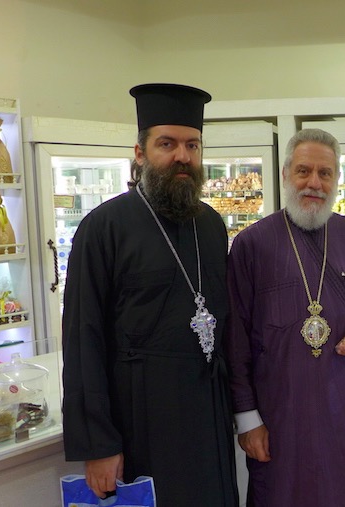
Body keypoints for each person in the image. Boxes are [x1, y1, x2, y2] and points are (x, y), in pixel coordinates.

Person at [61, 83, 239, 506]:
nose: (183, 156)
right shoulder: (103, 228)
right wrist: (99, 444)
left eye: (192, 145)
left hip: (207, 413)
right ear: (140, 153)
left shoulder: (211, 225)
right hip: (141, 419)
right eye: (167, 144)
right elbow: (83, 339)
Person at [226, 128, 345, 506]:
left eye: (325, 173)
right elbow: (235, 337)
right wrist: (247, 418)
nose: (314, 183)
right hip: (277, 411)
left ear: (337, 179)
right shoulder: (252, 244)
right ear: (285, 174)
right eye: (304, 171)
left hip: (341, 406)